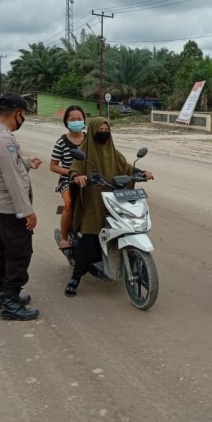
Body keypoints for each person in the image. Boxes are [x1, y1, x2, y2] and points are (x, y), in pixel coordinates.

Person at [64, 116, 154, 297]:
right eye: (101, 130)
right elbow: (74, 169)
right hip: (92, 200)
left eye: (107, 131)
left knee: (127, 225)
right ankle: (75, 277)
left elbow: (126, 168)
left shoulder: (113, 151)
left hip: (113, 196)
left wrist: (141, 172)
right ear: (92, 131)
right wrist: (78, 176)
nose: (104, 133)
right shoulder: (84, 151)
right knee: (90, 235)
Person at [0, 93, 41, 321]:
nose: (22, 120)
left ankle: (2, 294)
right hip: (10, 207)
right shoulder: (5, 140)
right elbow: (13, 180)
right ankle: (11, 303)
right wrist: (28, 212)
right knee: (18, 254)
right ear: (17, 113)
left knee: (3, 249)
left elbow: (4, 165)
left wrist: (26, 162)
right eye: (23, 115)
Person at [50, 105, 86, 249]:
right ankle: (64, 238)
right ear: (66, 122)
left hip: (89, 179)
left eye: (79, 119)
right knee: (69, 205)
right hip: (68, 181)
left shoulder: (91, 140)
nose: (76, 122)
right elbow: (53, 166)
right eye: (73, 119)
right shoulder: (61, 142)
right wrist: (72, 173)